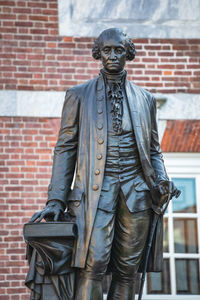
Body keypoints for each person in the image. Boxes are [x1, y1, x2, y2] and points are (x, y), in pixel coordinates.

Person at [31, 28, 180, 300]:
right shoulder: (78, 95)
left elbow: (154, 150)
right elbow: (65, 149)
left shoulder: (145, 100)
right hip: (94, 194)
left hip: (136, 194)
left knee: (127, 271)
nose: (112, 56)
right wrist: (55, 200)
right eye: (107, 50)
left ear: (128, 54)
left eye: (119, 50)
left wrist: (161, 180)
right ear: (98, 53)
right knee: (93, 265)